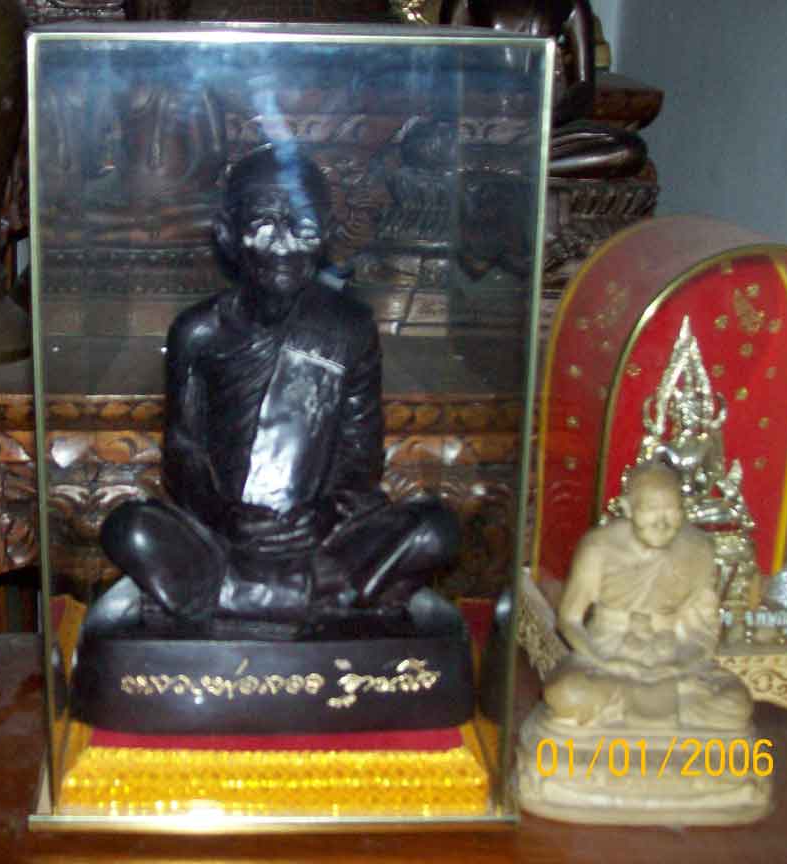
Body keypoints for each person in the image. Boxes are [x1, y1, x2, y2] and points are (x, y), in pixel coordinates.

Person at [98, 145, 459, 629]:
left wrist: (322, 516)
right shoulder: (198, 332)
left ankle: (230, 595)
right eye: (263, 224)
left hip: (318, 537)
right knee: (129, 529)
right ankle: (315, 595)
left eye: (302, 226)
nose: (284, 245)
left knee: (434, 528)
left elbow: (359, 459)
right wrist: (224, 515)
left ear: (326, 233)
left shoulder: (348, 327)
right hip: (224, 536)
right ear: (227, 233)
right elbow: (184, 454)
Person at [544, 462, 752, 729]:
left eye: (672, 510)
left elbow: (703, 627)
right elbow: (570, 619)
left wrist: (679, 663)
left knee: (737, 703)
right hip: (608, 655)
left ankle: (627, 709)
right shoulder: (599, 547)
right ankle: (650, 707)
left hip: (673, 657)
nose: (662, 523)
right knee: (567, 695)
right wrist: (604, 660)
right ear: (628, 508)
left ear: (683, 509)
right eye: (650, 510)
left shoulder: (698, 548)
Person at [443, 0, 647, 179]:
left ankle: (504, 164)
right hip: (478, 126)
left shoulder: (572, 5)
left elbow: (584, 88)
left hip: (537, 131)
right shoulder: (467, 2)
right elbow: (444, 77)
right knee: (432, 144)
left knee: (628, 151)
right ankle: (516, 164)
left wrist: (552, 114)